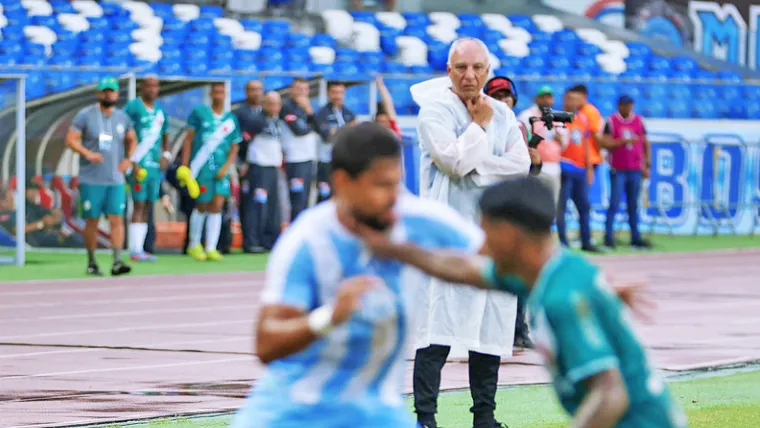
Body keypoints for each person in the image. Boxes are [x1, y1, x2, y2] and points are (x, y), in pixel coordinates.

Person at [353, 175, 688, 428]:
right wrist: (395, 250)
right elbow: (463, 270)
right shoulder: (553, 272)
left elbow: (611, 393)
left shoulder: (561, 299)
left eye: (486, 233)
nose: (481, 247)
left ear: (511, 236)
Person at [229, 122, 486, 428]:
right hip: (295, 414)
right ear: (342, 182)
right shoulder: (308, 241)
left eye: (397, 183)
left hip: (377, 414)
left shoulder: (417, 221)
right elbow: (267, 343)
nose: (394, 197)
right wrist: (330, 316)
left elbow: (499, 268)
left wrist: (409, 254)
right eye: (380, 185)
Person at [411, 38, 531, 428]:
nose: (470, 75)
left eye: (478, 68)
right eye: (461, 67)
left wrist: (479, 165)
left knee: (490, 327)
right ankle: (426, 418)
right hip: (447, 240)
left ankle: (485, 417)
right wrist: (478, 129)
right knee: (437, 330)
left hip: (493, 238)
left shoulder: (503, 113)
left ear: (487, 70)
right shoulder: (434, 111)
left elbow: (520, 165)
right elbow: (453, 162)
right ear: (448, 70)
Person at [484, 75, 541, 350]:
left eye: (506, 96)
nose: (502, 101)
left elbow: (526, 174)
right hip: (489, 209)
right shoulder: (480, 125)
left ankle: (519, 327)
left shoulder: (518, 126)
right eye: (497, 96)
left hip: (515, 209)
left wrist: (536, 165)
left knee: (520, 272)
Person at [65, 76, 137, 276]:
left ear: (116, 93)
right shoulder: (85, 116)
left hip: (115, 178)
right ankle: (92, 261)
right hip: (91, 178)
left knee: (117, 218)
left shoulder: (122, 118)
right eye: (105, 91)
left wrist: (129, 159)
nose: (109, 94)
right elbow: (71, 139)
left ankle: (116, 261)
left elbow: (132, 139)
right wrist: (87, 153)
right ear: (98, 94)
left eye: (112, 91)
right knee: (92, 220)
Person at [181, 82, 242, 262]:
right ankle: (194, 244)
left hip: (221, 169)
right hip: (202, 167)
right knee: (201, 204)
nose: (219, 95)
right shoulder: (200, 113)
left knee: (217, 205)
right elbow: (188, 139)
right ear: (210, 94)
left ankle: (211, 247)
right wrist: (185, 166)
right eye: (216, 92)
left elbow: (234, 147)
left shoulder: (231, 119)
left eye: (222, 92)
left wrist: (227, 168)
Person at [123, 76, 172, 262]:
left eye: (155, 86)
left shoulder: (160, 112)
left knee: (149, 206)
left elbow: (166, 134)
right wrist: (131, 160)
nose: (152, 89)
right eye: (149, 85)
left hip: (153, 167)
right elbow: (123, 132)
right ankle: (134, 249)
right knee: (138, 204)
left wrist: (166, 155)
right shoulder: (133, 107)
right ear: (141, 87)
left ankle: (141, 248)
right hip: (139, 165)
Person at [602, 95, 652, 250]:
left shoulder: (639, 121)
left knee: (633, 205)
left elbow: (645, 142)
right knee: (614, 203)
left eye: (630, 105)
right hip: (618, 169)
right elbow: (605, 143)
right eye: (625, 105)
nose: (628, 108)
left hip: (635, 168)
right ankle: (608, 237)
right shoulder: (611, 121)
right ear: (619, 106)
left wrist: (647, 163)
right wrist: (621, 142)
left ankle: (635, 238)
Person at [557, 90, 601, 253]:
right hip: (564, 166)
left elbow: (586, 144)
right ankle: (563, 241)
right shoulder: (558, 118)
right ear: (564, 100)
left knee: (584, 206)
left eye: (575, 100)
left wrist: (589, 167)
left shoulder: (582, 119)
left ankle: (586, 240)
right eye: (569, 99)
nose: (572, 102)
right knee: (562, 206)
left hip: (580, 168)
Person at [244, 91, 287, 251]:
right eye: (272, 103)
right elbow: (245, 141)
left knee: (272, 205)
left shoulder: (276, 121)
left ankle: (269, 240)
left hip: (272, 167)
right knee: (257, 205)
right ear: (265, 104)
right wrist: (244, 164)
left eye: (278, 104)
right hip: (259, 166)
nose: (276, 107)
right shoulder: (256, 121)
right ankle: (252, 241)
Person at [234, 79, 265, 253]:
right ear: (246, 92)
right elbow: (237, 141)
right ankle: (249, 240)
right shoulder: (240, 113)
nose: (256, 93)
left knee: (262, 201)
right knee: (248, 203)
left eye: (259, 89)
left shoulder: (265, 112)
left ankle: (261, 238)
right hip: (245, 164)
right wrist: (240, 163)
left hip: (263, 163)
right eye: (253, 90)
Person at [517, 85, 563, 201]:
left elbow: (563, 143)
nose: (546, 101)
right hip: (535, 166)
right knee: (533, 203)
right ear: (536, 99)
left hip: (554, 167)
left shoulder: (556, 117)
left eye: (549, 97)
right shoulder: (527, 115)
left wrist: (560, 139)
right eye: (543, 97)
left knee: (552, 204)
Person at [281, 77, 318, 221]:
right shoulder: (286, 107)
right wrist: (310, 118)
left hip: (308, 158)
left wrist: (309, 113)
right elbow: (299, 130)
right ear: (291, 90)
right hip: (295, 159)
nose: (301, 93)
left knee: (305, 199)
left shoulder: (306, 109)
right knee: (297, 199)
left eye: (304, 89)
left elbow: (319, 129)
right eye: (298, 89)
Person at [314, 81, 356, 203]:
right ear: (328, 93)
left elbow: (353, 137)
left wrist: (336, 131)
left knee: (341, 196)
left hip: (343, 161)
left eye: (340, 92)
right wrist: (346, 129)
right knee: (324, 196)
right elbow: (327, 137)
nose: (338, 96)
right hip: (326, 161)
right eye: (334, 92)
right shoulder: (321, 113)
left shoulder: (349, 113)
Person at [569, 85, 604, 180]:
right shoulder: (579, 111)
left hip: (590, 158)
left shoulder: (590, 111)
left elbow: (595, 134)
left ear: (583, 96)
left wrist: (599, 152)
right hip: (580, 159)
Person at [374, 74, 402, 139]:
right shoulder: (373, 135)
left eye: (384, 122)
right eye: (379, 122)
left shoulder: (394, 132)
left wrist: (380, 86)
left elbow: (389, 104)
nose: (382, 125)